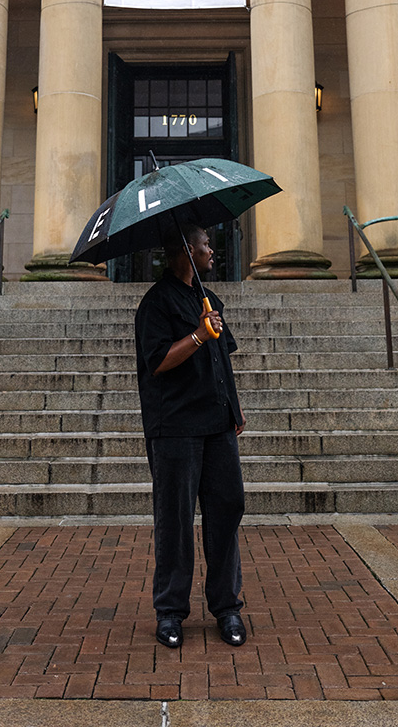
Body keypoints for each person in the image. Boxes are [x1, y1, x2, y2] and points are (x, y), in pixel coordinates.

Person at [134, 222, 247, 650]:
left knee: (227, 511)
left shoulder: (208, 299)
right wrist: (198, 334)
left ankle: (227, 607)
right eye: (205, 245)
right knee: (176, 520)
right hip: (175, 426)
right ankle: (170, 611)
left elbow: (222, 360)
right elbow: (158, 361)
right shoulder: (155, 304)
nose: (212, 251)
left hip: (217, 424)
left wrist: (234, 406)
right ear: (186, 250)